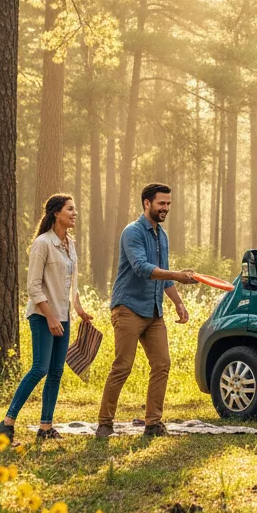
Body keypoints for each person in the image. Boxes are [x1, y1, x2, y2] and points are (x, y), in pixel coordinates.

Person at [96, 183, 196, 438]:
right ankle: (105, 423)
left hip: (154, 311)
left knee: (162, 363)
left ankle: (153, 424)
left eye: (169, 204)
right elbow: (142, 267)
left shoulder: (161, 235)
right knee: (122, 367)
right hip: (128, 307)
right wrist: (178, 275)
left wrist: (178, 301)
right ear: (147, 203)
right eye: (162, 203)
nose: (166, 208)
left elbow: (164, 276)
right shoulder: (132, 232)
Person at [0, 194, 93, 444]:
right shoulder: (43, 243)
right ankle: (6, 424)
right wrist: (50, 317)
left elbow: (72, 284)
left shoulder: (70, 243)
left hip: (63, 316)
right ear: (57, 213)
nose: (75, 213)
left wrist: (78, 310)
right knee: (40, 368)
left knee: (56, 371)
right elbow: (34, 287)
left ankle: (45, 427)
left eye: (75, 209)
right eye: (70, 209)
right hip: (42, 316)